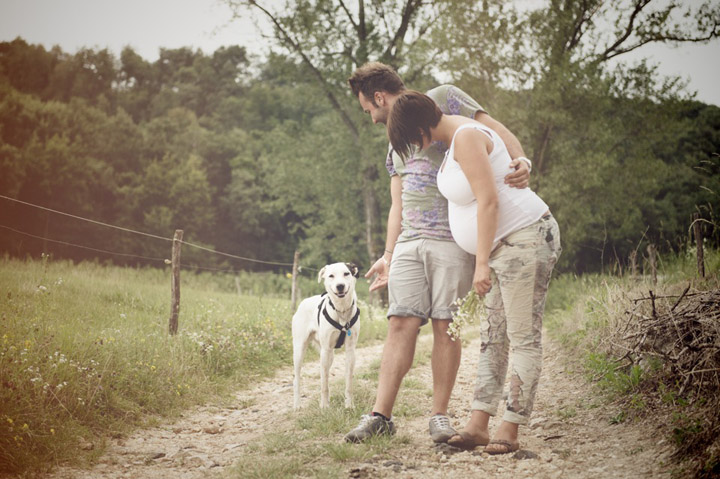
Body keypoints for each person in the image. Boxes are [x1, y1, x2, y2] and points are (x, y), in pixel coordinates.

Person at [343, 62, 533, 444]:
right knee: (400, 322)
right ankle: (381, 415)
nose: (372, 119)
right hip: (410, 243)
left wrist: (522, 159)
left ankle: (439, 416)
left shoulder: (442, 98)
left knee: (446, 327)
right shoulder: (394, 141)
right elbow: (398, 202)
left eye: (368, 110)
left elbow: (493, 127)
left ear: (379, 97)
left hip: (451, 240)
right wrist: (389, 253)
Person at [387, 90, 561, 455]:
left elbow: (489, 200)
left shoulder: (465, 137)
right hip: (503, 247)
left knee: (522, 336)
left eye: (409, 140)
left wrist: (480, 262)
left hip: (523, 240)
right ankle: (478, 425)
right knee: (492, 336)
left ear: (420, 128)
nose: (414, 148)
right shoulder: (455, 141)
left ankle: (510, 428)